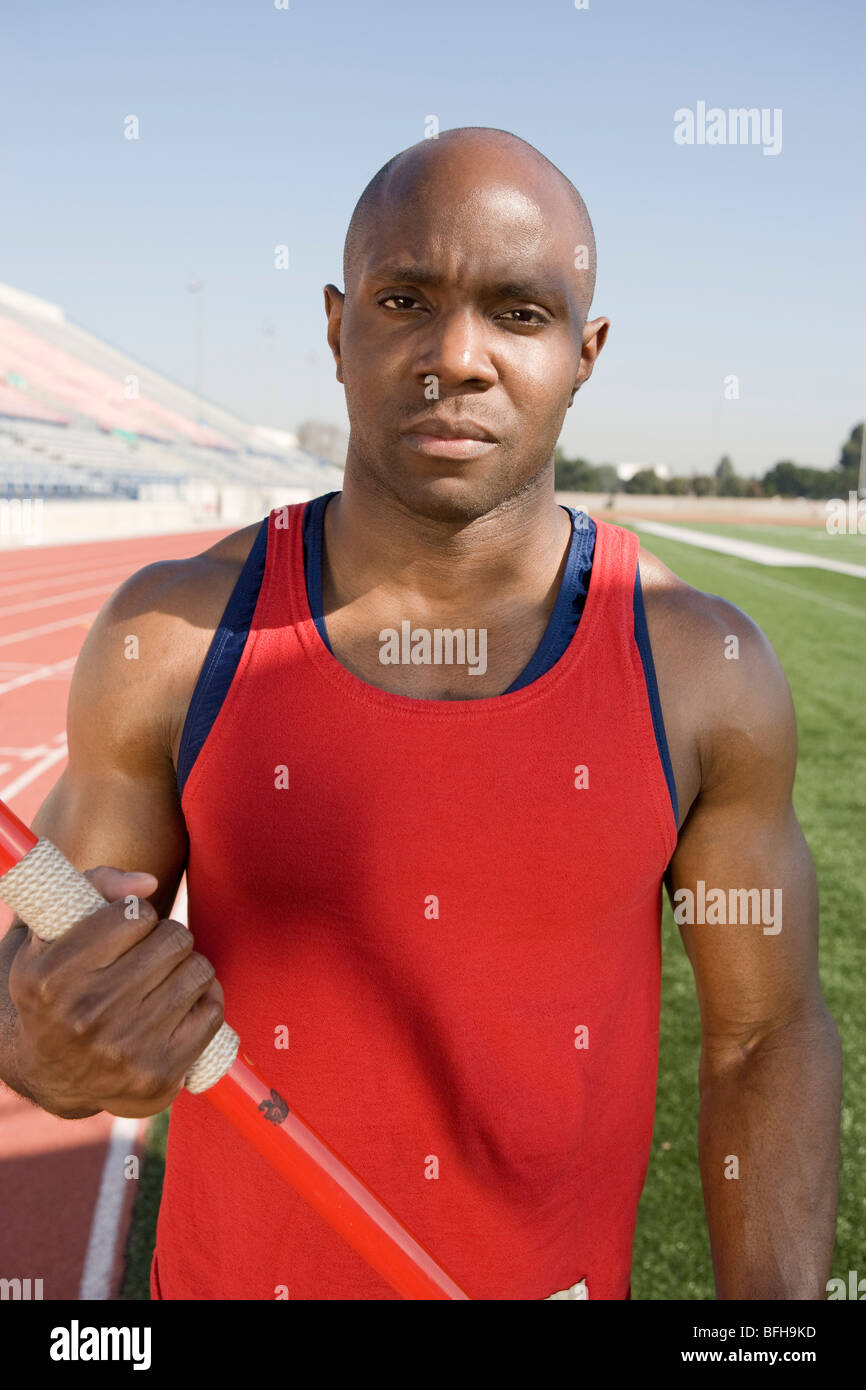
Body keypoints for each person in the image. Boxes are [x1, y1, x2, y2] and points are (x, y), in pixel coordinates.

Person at [0, 127, 841, 1300]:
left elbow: (762, 1038)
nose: (456, 355)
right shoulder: (173, 638)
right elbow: (41, 967)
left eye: (517, 312)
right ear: (339, 326)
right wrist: (38, 1035)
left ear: (584, 352)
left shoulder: (699, 667)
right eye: (406, 299)